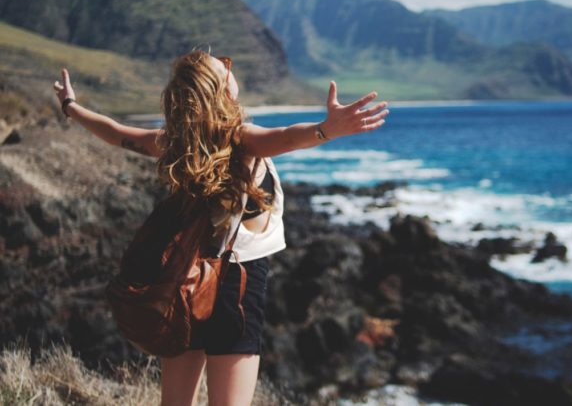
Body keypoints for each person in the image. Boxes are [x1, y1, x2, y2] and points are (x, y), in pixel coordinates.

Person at [51, 49, 389, 406]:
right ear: (222, 90)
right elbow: (288, 136)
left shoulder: (177, 143)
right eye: (224, 66)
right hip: (237, 286)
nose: (230, 65)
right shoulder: (241, 139)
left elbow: (117, 133)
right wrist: (327, 129)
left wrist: (70, 107)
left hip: (185, 278)